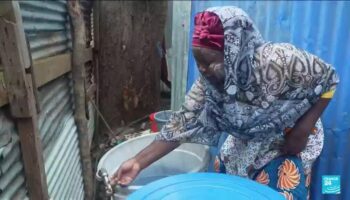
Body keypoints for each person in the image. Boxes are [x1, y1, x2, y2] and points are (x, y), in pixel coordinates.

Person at [110, 6, 339, 200]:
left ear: (235, 53)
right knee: (223, 176)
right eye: (197, 59)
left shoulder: (281, 62)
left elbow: (329, 80)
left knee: (284, 188)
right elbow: (181, 126)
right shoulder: (208, 86)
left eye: (209, 62)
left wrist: (304, 127)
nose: (202, 69)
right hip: (249, 137)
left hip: (289, 137)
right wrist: (138, 163)